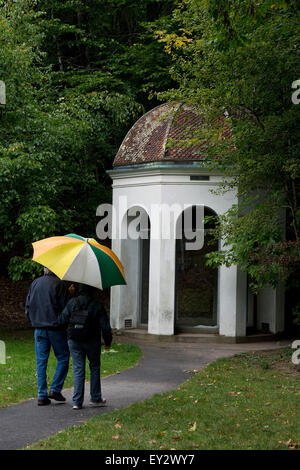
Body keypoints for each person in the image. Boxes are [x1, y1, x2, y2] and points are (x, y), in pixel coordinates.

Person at [57, 283, 112, 410]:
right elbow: (105, 326)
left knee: (78, 368)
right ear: (93, 291)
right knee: (94, 367)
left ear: (79, 290)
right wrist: (108, 341)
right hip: (92, 340)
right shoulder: (97, 305)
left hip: (74, 340)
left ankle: (77, 401)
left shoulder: (72, 302)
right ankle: (96, 398)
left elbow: (61, 320)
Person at [25, 268, 70, 406]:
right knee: (63, 357)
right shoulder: (60, 285)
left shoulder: (35, 283)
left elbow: (28, 306)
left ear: (44, 270)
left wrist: (33, 320)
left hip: (39, 328)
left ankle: (41, 395)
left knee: (41, 361)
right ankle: (55, 389)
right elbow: (66, 309)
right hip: (55, 328)